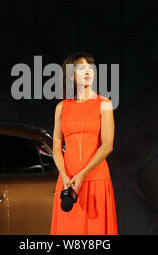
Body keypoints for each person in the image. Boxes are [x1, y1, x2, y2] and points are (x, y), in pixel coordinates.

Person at [50, 52, 118, 235]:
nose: (87, 71)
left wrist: (82, 175)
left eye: (90, 67)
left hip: (95, 179)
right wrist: (64, 176)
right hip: (67, 182)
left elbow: (107, 145)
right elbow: (56, 147)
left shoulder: (104, 103)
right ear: (71, 74)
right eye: (81, 68)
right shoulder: (61, 107)